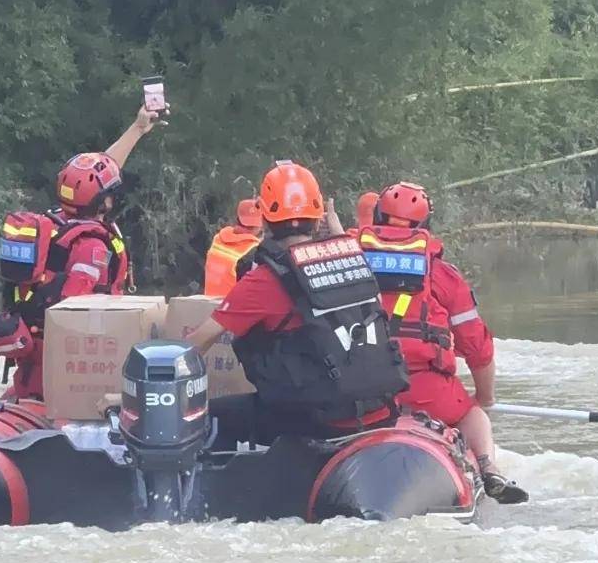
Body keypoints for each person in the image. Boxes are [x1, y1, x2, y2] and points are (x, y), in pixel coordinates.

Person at [186, 161, 409, 446]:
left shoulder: (264, 280)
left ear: (264, 220)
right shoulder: (355, 261)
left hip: (316, 420)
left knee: (211, 419)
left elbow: (197, 344)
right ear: (319, 220)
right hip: (380, 411)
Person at [0, 104, 166, 401]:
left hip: (35, 362)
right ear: (102, 203)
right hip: (60, 370)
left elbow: (100, 172)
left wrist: (138, 128)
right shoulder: (91, 247)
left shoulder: (58, 220)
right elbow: (73, 313)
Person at [358, 182, 527, 503]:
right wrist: (484, 396)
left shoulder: (349, 264)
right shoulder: (442, 275)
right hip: (426, 390)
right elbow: (478, 348)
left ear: (378, 216)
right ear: (425, 226)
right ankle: (488, 467)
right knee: (474, 415)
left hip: (360, 389)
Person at [203, 198, 263, 297]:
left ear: (238, 218)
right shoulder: (253, 251)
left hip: (207, 303)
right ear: (259, 226)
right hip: (229, 308)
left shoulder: (218, 239)